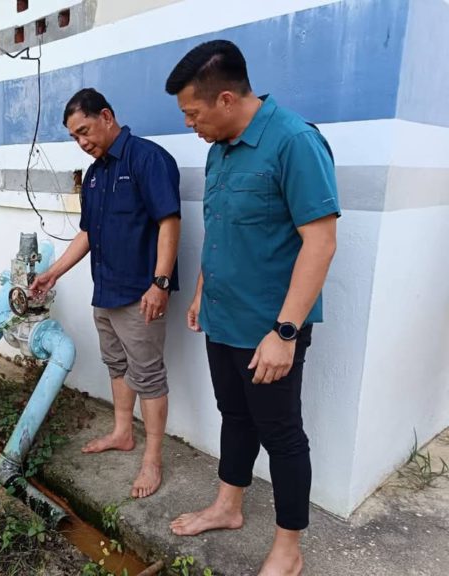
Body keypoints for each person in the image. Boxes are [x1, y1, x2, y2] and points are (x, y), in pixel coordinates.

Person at [164, 40, 339, 576]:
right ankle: (228, 506)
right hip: (223, 319)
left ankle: (288, 549)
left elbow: (321, 242)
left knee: (282, 434)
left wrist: (285, 332)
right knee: (234, 416)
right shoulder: (219, 147)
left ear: (224, 99)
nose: (191, 125)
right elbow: (222, 229)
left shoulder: (294, 142)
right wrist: (198, 290)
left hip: (270, 330)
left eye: (193, 114)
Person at [30, 88, 181, 498]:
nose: (82, 142)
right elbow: (88, 233)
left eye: (85, 131)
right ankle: (121, 431)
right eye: (75, 137)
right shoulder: (95, 174)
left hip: (141, 293)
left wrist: (160, 282)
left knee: (148, 375)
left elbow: (169, 222)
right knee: (117, 364)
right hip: (107, 290)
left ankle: (152, 459)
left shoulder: (148, 159)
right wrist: (53, 273)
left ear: (107, 116)